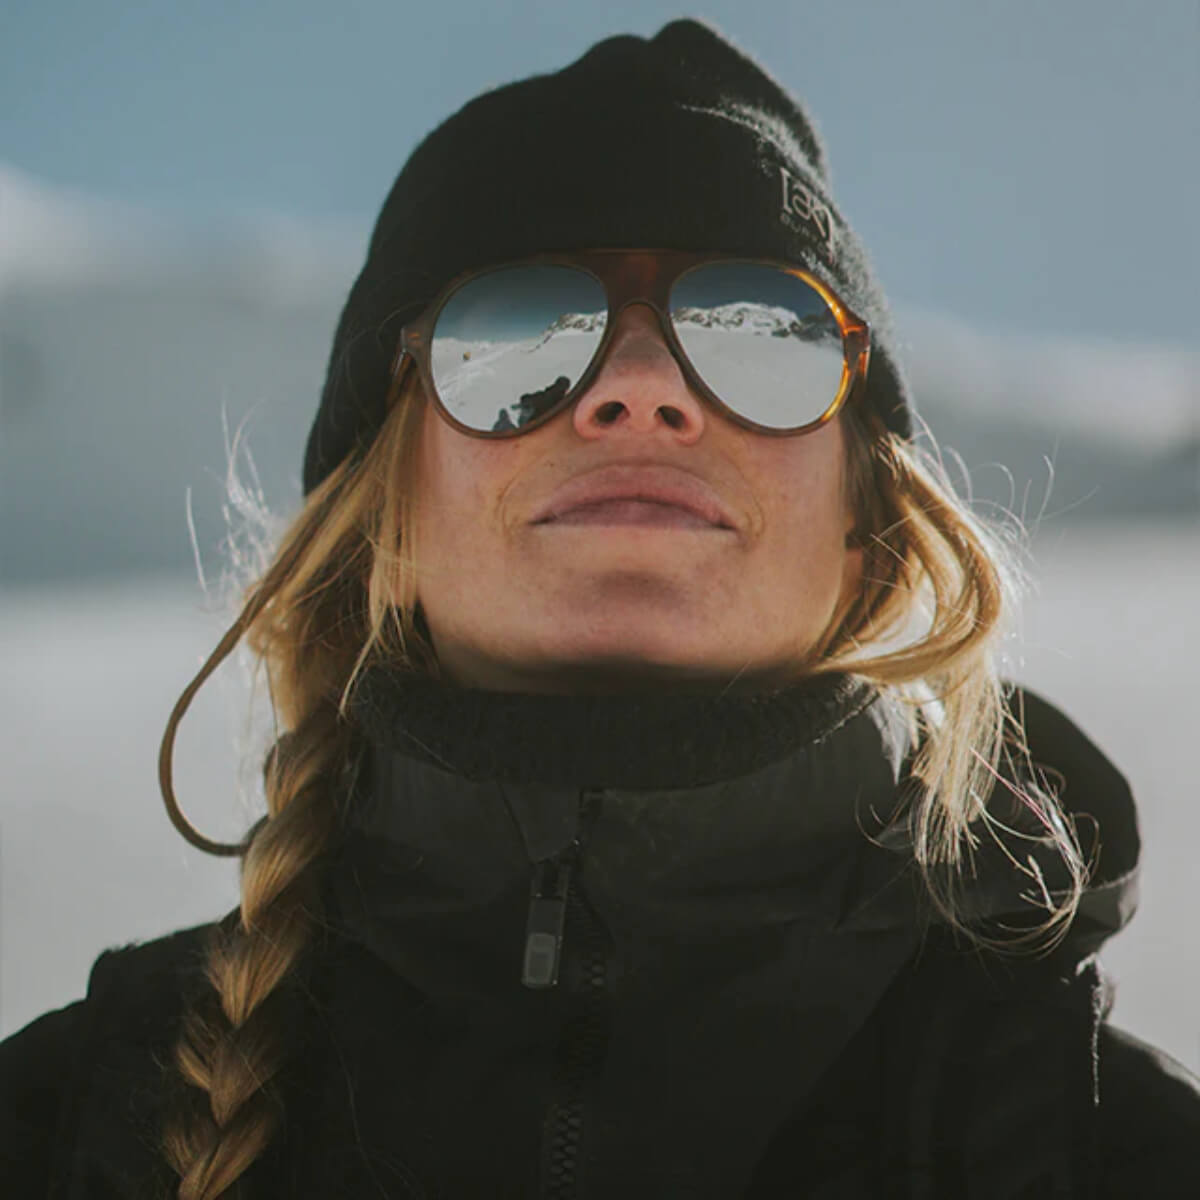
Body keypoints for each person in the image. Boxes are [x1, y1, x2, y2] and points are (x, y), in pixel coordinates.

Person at [2, 16, 1198, 1199]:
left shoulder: (1117, 1154)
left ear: (864, 518)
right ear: (382, 514)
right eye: (517, 332)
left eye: (759, 333)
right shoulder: (56, 1132)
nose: (638, 388)